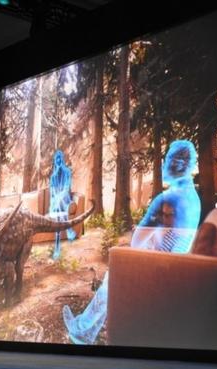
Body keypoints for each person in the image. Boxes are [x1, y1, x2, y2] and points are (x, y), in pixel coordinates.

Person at [62, 140, 201, 344]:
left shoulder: (166, 199)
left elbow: (137, 241)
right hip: (175, 271)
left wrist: (141, 235)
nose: (163, 164)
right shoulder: (195, 199)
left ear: (175, 164)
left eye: (167, 159)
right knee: (115, 271)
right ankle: (86, 329)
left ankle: (82, 330)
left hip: (155, 271)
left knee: (115, 269)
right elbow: (173, 236)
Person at [49, 149, 76, 259]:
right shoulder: (53, 177)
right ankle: (69, 230)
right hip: (56, 204)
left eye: (60, 159)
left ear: (63, 160)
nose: (58, 161)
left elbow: (66, 189)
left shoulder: (67, 172)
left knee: (59, 203)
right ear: (55, 161)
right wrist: (54, 202)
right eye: (56, 159)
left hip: (65, 200)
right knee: (57, 206)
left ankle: (57, 248)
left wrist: (58, 199)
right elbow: (52, 194)